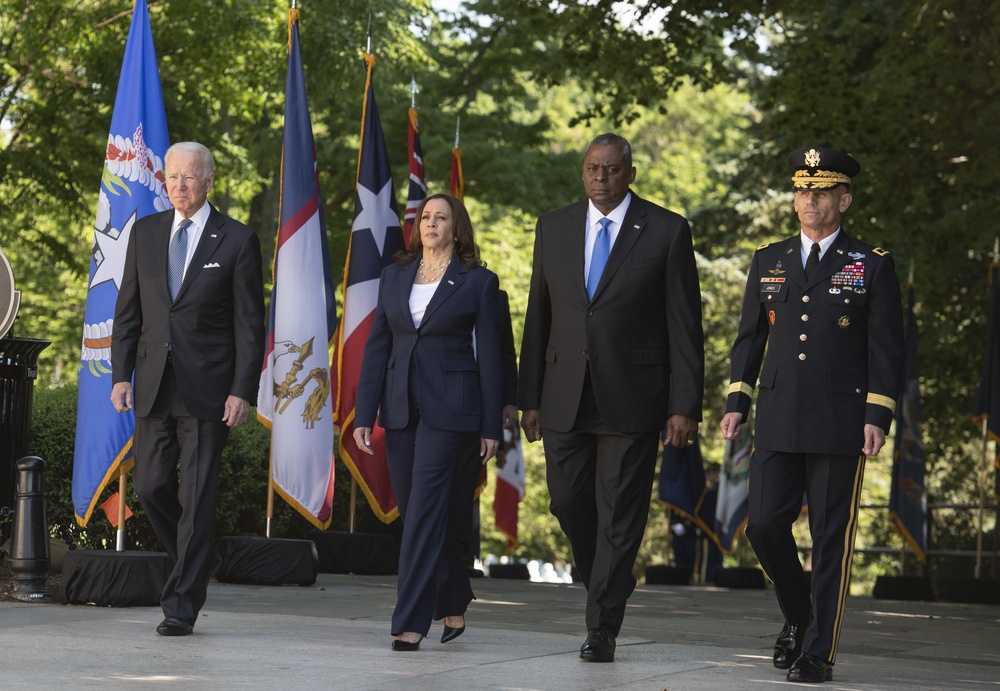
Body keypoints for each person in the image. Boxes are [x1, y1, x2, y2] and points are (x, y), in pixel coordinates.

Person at [519, 133, 704, 662]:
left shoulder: (667, 231)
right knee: (566, 500)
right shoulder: (552, 227)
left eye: (612, 170)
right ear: (583, 172)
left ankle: (601, 627)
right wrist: (528, 394)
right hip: (562, 395)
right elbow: (540, 316)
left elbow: (684, 326)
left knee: (620, 512)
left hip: (633, 397)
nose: (601, 179)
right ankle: (607, 577)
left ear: (631, 173)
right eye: (592, 169)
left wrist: (683, 405)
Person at [721, 146, 903, 683]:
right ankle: (798, 614)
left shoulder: (870, 263)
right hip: (777, 413)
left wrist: (878, 414)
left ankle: (818, 652)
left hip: (841, 418)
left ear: (843, 200)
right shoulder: (769, 259)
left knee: (830, 537)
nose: (809, 201)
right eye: (802, 191)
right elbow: (749, 339)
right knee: (765, 525)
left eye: (820, 192)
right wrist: (738, 401)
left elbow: (886, 348)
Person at [111, 141, 265, 636]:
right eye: (172, 177)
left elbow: (249, 326)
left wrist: (242, 390)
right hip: (154, 382)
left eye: (189, 177)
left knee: (196, 499)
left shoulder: (238, 240)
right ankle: (199, 556)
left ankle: (180, 604)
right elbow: (128, 312)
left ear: (209, 181)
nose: (178, 185)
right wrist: (120, 374)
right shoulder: (146, 233)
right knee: (152, 485)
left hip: (210, 390)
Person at [353, 193, 503, 651]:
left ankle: (410, 620)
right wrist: (364, 412)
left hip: (452, 411)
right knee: (418, 510)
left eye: (441, 217)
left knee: (421, 515)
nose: (431, 223)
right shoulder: (393, 276)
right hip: (399, 409)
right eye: (425, 218)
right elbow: (378, 345)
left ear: (457, 229)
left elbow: (494, 357)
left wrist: (492, 424)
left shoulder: (478, 281)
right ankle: (454, 598)